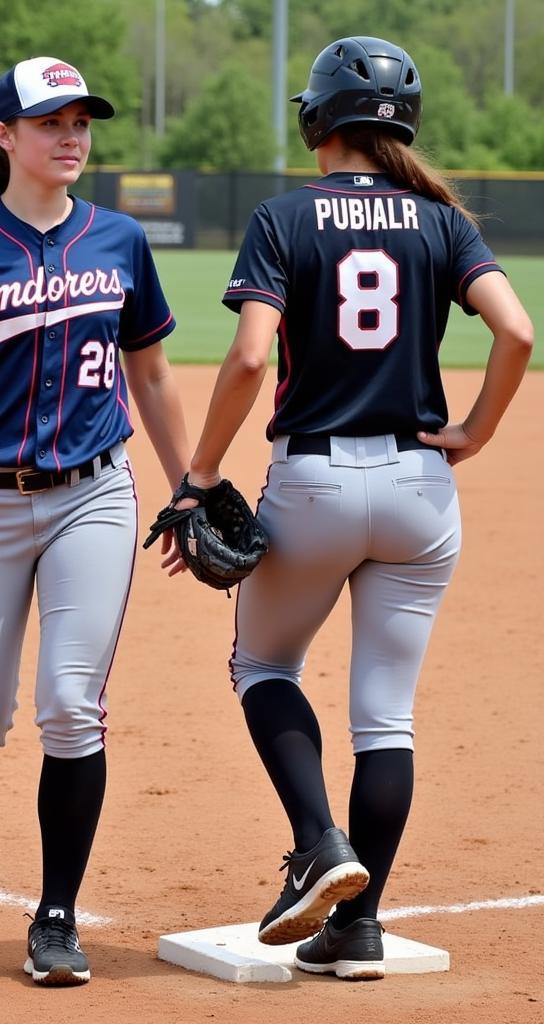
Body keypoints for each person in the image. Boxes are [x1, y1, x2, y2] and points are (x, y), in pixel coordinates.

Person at [166, 36, 533, 980]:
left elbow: (249, 358)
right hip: (421, 490)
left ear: (317, 120)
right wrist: (477, 432)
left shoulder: (285, 216)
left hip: (317, 483)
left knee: (262, 663)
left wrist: (199, 474)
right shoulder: (443, 221)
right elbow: (516, 330)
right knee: (387, 718)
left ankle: (318, 842)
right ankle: (358, 930)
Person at [0, 57, 191, 985]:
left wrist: (190, 485)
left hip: (94, 493)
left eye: (82, 119)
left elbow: (155, 376)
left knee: (69, 706)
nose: (72, 134)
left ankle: (55, 915)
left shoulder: (119, 239)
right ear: (5, 136)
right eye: (51, 120)